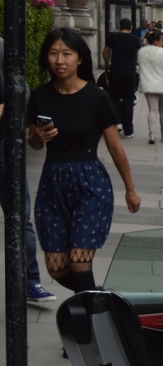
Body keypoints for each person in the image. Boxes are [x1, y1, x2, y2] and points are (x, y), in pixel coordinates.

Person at [26, 28, 141, 293]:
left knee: (80, 263)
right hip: (53, 183)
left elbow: (114, 145)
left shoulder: (97, 97)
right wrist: (38, 137)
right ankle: (99, 300)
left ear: (80, 58)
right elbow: (33, 142)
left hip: (89, 183)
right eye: (54, 53)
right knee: (56, 268)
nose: (60, 60)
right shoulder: (40, 96)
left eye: (67, 53)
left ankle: (89, 323)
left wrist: (130, 188)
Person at [0, 37, 55, 303]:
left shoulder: (2, 47)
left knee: (20, 217)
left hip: (4, 146)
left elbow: (22, 89)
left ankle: (30, 281)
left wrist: (8, 105)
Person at [102, 18, 142, 139]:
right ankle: (128, 130)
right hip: (129, 72)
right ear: (131, 27)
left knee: (114, 98)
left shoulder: (113, 38)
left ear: (119, 26)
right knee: (128, 100)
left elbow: (105, 52)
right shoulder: (135, 39)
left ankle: (117, 123)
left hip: (116, 71)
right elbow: (137, 54)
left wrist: (108, 64)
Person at [138, 30, 163, 143]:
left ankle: (152, 135)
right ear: (156, 41)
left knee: (152, 110)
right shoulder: (162, 52)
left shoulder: (142, 51)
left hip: (148, 84)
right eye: (162, 40)